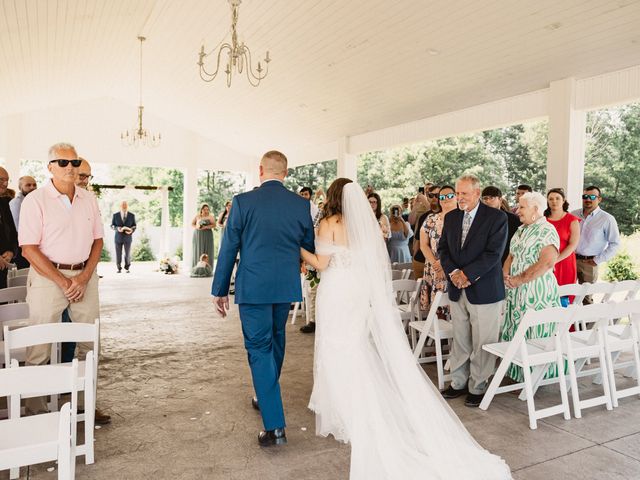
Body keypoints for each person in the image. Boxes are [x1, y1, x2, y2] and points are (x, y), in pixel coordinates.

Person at [300, 179, 511, 480]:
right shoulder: (366, 225)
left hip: (336, 290)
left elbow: (321, 264)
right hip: (358, 292)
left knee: (335, 345)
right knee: (355, 344)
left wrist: (298, 249)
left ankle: (343, 409)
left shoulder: (329, 223)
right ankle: (356, 403)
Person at [211, 150, 315, 447]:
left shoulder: (243, 202)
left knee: (259, 347)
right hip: (284, 285)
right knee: (276, 340)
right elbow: (306, 245)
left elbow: (229, 248)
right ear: (286, 172)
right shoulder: (301, 204)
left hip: (254, 287)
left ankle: (275, 426)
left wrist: (219, 289)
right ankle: (264, 392)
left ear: (260, 170)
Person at [19, 142, 109, 423]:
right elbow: (28, 248)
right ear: (50, 168)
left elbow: (98, 241)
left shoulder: (88, 199)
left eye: (75, 162)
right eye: (63, 163)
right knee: (40, 345)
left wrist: (83, 277)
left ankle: (83, 404)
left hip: (84, 277)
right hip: (48, 277)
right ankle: (35, 411)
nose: (71, 167)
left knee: (88, 344)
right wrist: (62, 280)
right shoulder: (36, 200)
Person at [438, 174, 507, 407]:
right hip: (457, 288)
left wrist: (466, 274)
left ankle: (477, 385)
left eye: (464, 193)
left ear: (477, 193)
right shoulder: (451, 218)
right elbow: (444, 250)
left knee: (482, 341)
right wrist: (454, 273)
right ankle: (458, 382)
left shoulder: (496, 218)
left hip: (485, 289)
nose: (459, 198)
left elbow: (493, 253)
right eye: (457, 193)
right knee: (460, 339)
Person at [502, 192, 561, 381]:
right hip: (516, 290)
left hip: (536, 291)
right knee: (516, 330)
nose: (518, 210)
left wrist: (519, 279)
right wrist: (505, 275)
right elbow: (511, 256)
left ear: (535, 209)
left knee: (535, 334)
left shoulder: (547, 230)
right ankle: (518, 374)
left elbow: (546, 263)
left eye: (522, 207)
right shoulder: (521, 230)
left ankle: (537, 377)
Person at [571, 186, 621, 304]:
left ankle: (588, 323)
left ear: (599, 199)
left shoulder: (607, 219)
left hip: (589, 264)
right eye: (585, 196)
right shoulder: (573, 215)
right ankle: (571, 322)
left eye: (592, 197)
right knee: (569, 294)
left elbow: (615, 243)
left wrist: (598, 260)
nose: (588, 199)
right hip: (571, 260)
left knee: (586, 299)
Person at [420, 185, 456, 310]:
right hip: (433, 266)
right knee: (436, 309)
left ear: (456, 197)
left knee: (454, 309)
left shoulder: (463, 218)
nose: (446, 199)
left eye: (450, 196)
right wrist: (436, 264)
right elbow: (423, 244)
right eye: (442, 197)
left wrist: (443, 264)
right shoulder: (431, 219)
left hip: (453, 266)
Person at [545, 188, 580, 306]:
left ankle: (565, 324)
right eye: (551, 199)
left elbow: (573, 245)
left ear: (564, 200)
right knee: (546, 294)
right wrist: (548, 262)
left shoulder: (571, 220)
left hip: (565, 263)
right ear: (547, 201)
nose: (554, 201)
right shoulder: (542, 219)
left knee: (564, 297)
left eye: (557, 198)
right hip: (545, 263)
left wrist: (555, 261)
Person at [481, 186, 521, 265]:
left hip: (506, 262)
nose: (488, 201)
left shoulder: (513, 220)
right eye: (485, 198)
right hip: (483, 263)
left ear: (500, 199)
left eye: (492, 198)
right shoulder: (478, 220)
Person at [412, 184, 441, 280]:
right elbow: (417, 240)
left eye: (437, 195)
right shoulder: (424, 216)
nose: (434, 198)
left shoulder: (448, 215)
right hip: (420, 260)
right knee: (420, 292)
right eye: (431, 195)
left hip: (438, 263)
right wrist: (414, 259)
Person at [9, 175, 37, 268]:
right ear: (20, 187)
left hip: (34, 244)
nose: (32, 187)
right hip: (23, 246)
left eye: (34, 185)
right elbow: (18, 228)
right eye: (28, 185)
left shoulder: (35, 201)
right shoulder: (16, 203)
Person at [0, 167, 17, 288]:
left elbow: (12, 232)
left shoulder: (5, 204)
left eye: (7, 180)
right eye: (1, 180)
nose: (5, 183)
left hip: (3, 267)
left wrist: (11, 251)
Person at [111, 201, 137, 273]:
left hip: (128, 237)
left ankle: (127, 267)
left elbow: (134, 225)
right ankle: (118, 268)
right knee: (118, 253)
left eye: (125, 205)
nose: (124, 206)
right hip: (118, 237)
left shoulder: (132, 215)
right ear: (120, 206)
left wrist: (131, 230)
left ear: (127, 206)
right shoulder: (115, 215)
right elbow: (112, 225)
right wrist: (117, 228)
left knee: (127, 253)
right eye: (123, 205)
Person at [191, 204, 216, 269]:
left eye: (207, 209)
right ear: (201, 209)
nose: (206, 211)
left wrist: (206, 227)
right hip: (198, 234)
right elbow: (192, 224)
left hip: (207, 235)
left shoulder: (210, 217)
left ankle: (207, 268)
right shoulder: (197, 216)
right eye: (204, 209)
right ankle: (197, 267)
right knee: (198, 249)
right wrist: (196, 227)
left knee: (207, 249)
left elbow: (214, 225)